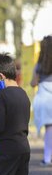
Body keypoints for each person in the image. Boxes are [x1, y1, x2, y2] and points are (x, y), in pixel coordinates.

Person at [30, 35, 52, 166]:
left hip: (44, 100)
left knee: (49, 129)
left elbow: (33, 83)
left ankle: (47, 158)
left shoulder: (39, 65)